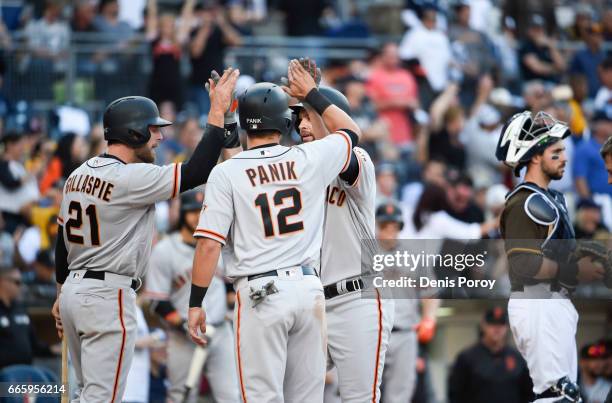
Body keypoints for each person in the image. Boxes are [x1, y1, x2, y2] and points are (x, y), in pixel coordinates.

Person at [51, 68, 242, 403]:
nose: (159, 137)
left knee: (86, 394)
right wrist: (217, 113)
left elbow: (60, 242)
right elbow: (197, 171)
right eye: (153, 129)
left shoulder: (77, 175)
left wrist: (60, 293)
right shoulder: (131, 177)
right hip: (106, 296)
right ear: (134, 132)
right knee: (101, 399)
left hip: (74, 292)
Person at [187, 60, 360, 402]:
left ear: (245, 128)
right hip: (309, 289)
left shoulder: (227, 172)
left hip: (261, 292)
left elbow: (208, 245)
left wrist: (195, 302)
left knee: (262, 397)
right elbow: (351, 131)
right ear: (286, 122)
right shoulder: (308, 157)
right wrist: (311, 93)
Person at [290, 81, 393, 402]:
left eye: (310, 116)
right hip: (312, 302)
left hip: (356, 299)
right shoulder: (297, 166)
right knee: (290, 393)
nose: (302, 124)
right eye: (299, 118)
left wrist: (315, 95)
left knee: (358, 398)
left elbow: (347, 146)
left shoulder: (357, 158)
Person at [497, 110, 605, 402]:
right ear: (534, 156)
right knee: (556, 395)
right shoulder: (524, 201)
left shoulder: (550, 198)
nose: (564, 158)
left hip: (554, 305)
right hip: (537, 302)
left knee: (565, 395)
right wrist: (574, 270)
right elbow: (523, 264)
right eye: (556, 152)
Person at [146, 190, 239, 403]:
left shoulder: (218, 246)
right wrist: (183, 326)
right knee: (182, 396)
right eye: (192, 212)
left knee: (232, 395)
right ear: (182, 214)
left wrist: (231, 306)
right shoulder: (165, 250)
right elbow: (158, 301)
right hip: (183, 336)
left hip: (220, 333)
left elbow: (228, 288)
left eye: (201, 211)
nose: (198, 217)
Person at [374, 202, 439, 403]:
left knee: (400, 396)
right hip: (372, 333)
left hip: (405, 332)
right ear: (376, 225)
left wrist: (429, 319)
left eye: (394, 226)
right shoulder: (364, 253)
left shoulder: (414, 255)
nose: (390, 230)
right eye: (385, 225)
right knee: (364, 393)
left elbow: (431, 293)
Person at [448, 306, 533, 403]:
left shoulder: (518, 358)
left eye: (501, 324)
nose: (497, 329)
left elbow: (528, 393)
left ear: (506, 327)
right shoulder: (466, 358)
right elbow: (455, 394)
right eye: (492, 324)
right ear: (483, 325)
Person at [189, 1, 242, 116]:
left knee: (219, 117)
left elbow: (237, 41)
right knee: (203, 118)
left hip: (218, 85)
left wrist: (222, 22)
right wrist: (205, 27)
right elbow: (195, 52)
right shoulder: (194, 31)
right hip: (200, 84)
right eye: (207, 11)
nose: (209, 14)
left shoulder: (219, 32)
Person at [0, 266, 55, 369]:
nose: (21, 286)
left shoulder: (20, 309)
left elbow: (34, 345)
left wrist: (53, 349)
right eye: (17, 282)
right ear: (2, 282)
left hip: (26, 372)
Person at [365, 42, 419, 147]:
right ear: (383, 56)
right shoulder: (374, 76)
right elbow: (370, 106)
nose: (393, 58)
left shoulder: (406, 76)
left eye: (395, 55)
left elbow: (415, 103)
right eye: (390, 55)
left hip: (405, 133)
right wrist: (394, 102)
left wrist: (409, 104)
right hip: (383, 134)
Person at [519, 14, 566, 84]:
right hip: (533, 83)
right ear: (529, 30)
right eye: (535, 29)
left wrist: (551, 47)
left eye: (540, 29)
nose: (538, 32)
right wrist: (555, 69)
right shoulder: (526, 46)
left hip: (552, 83)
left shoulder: (548, 46)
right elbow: (537, 68)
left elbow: (562, 66)